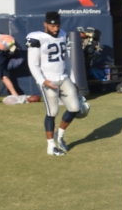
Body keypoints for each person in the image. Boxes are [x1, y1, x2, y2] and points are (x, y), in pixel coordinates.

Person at [26, 11, 81, 156]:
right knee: (52, 112)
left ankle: (60, 136)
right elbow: (33, 64)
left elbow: (67, 60)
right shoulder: (37, 38)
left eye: (57, 25)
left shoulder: (62, 34)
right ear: (45, 24)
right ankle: (50, 146)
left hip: (63, 77)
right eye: (52, 26)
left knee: (75, 108)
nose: (55, 29)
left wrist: (73, 79)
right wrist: (43, 81)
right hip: (48, 79)